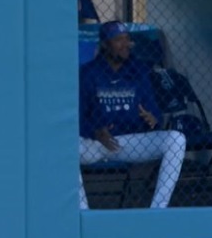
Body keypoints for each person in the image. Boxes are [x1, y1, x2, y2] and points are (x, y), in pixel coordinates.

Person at [79, 20, 186, 209]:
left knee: (176, 139)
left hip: (130, 142)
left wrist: (154, 119)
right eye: (118, 40)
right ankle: (83, 211)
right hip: (98, 143)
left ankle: (158, 210)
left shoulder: (139, 71)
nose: (125, 44)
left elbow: (155, 113)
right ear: (105, 44)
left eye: (127, 39)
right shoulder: (88, 73)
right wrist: (95, 131)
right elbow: (77, 119)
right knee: (64, 147)